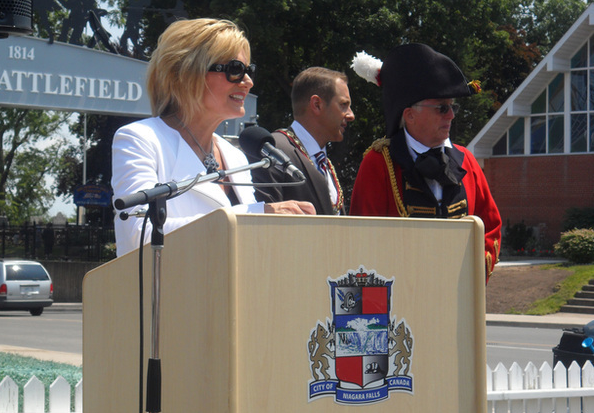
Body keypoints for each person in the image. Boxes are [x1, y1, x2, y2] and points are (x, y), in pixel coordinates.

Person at [112, 18, 315, 256]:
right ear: (186, 74)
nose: (248, 82)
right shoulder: (140, 139)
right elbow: (140, 235)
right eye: (235, 70)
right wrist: (258, 214)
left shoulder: (235, 156)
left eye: (249, 71)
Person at [349, 43, 501, 281]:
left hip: (460, 295)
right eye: (442, 108)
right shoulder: (378, 164)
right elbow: (363, 241)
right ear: (410, 115)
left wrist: (470, 276)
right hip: (401, 297)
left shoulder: (466, 161)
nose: (451, 115)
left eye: (453, 107)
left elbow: (490, 228)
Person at [251, 67, 355, 215]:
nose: (351, 115)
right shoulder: (273, 151)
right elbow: (264, 223)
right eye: (343, 105)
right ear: (317, 104)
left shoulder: (323, 162)